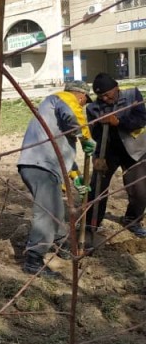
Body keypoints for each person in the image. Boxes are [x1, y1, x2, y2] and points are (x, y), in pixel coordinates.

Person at [17, 80, 95, 277]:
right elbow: (73, 116)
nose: (82, 105)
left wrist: (76, 177)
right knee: (47, 213)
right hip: (40, 166)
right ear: (80, 96)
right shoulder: (62, 98)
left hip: (40, 166)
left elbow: (63, 153)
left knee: (56, 210)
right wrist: (86, 137)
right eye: (84, 101)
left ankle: (63, 245)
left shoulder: (55, 117)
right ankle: (34, 259)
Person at [86, 72, 146, 238]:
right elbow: (95, 135)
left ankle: (132, 220)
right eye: (101, 96)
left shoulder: (132, 94)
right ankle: (91, 223)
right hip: (108, 151)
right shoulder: (93, 108)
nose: (105, 99)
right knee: (97, 187)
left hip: (134, 150)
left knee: (140, 190)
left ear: (116, 88)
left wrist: (118, 122)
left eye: (107, 94)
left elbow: (141, 120)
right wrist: (98, 154)